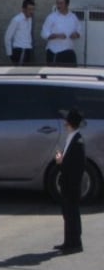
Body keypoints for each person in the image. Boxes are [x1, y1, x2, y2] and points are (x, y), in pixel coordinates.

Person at [54, 108, 85, 254]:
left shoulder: (77, 140)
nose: (65, 124)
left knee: (72, 214)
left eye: (67, 121)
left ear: (70, 124)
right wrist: (62, 158)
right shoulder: (71, 137)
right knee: (67, 213)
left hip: (72, 184)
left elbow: (77, 165)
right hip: (67, 183)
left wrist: (61, 161)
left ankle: (75, 243)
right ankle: (68, 242)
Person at [41, 0, 81, 66]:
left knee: (71, 75)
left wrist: (76, 34)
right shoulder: (51, 17)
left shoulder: (73, 17)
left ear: (67, 4)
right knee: (54, 76)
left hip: (69, 51)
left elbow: (79, 31)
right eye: (57, 3)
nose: (58, 5)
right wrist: (57, 35)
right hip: (55, 52)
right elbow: (44, 34)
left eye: (61, 3)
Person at [4, 0, 35, 65]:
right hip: (19, 50)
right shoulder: (16, 20)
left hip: (28, 49)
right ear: (23, 9)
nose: (31, 12)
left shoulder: (30, 19)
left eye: (33, 9)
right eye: (29, 9)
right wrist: (10, 54)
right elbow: (7, 37)